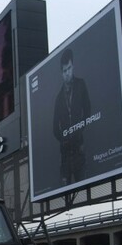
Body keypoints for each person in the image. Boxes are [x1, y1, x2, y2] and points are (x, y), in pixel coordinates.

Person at [52, 48, 90, 186]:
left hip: (79, 149)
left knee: (84, 185)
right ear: (61, 73)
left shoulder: (81, 85)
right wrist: (64, 138)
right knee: (64, 188)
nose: (67, 73)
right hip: (65, 155)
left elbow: (87, 110)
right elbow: (55, 128)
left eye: (69, 69)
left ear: (72, 66)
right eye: (64, 71)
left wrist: (79, 129)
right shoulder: (58, 98)